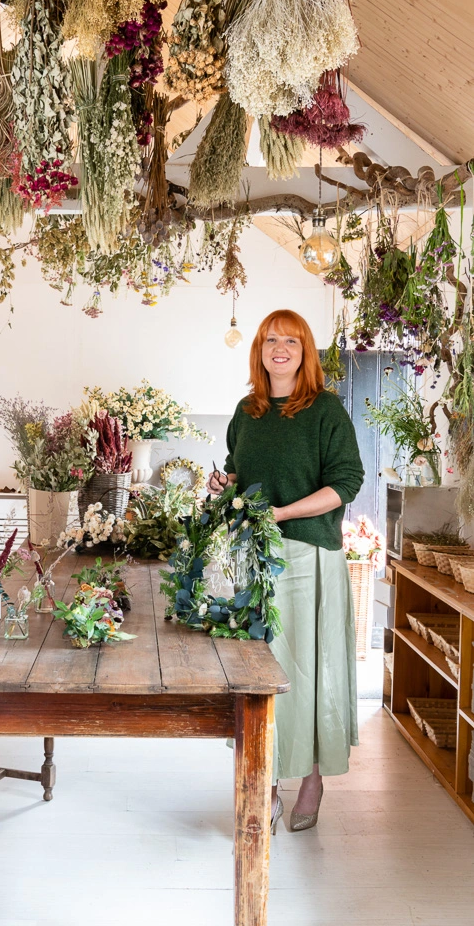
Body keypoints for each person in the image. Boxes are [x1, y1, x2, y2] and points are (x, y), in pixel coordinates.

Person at [208, 309, 364, 832]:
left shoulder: (325, 411)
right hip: (253, 556)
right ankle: (267, 783)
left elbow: (345, 483)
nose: (280, 348)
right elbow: (240, 471)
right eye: (271, 339)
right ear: (259, 349)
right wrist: (223, 484)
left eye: (291, 341)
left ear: (306, 351)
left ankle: (312, 778)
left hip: (307, 556)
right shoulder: (246, 410)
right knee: (261, 672)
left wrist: (282, 513)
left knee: (308, 671)